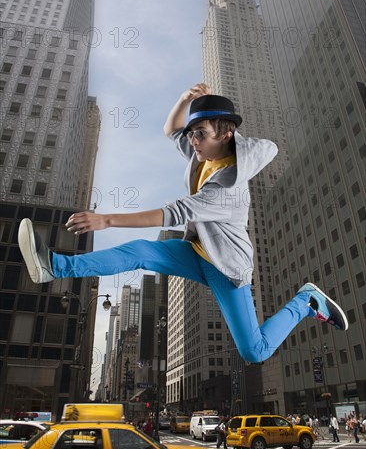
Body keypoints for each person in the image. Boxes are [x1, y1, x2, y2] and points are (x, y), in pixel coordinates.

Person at [17, 84, 348, 364]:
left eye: (200, 135)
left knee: (255, 351)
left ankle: (306, 301)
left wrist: (106, 219)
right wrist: (184, 99)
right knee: (140, 252)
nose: (193, 141)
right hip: (197, 252)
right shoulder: (202, 154)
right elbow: (169, 129)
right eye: (192, 135)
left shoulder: (227, 187)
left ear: (226, 133)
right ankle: (55, 267)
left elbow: (172, 214)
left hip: (225, 268)